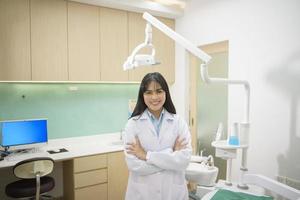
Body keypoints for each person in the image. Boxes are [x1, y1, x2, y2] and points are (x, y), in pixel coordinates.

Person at [123, 72, 192, 200]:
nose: (154, 97)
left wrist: (146, 155)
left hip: (173, 193)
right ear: (142, 95)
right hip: (142, 193)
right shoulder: (132, 125)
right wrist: (170, 154)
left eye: (159, 91)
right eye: (148, 92)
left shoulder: (178, 122)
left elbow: (184, 160)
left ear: (166, 92)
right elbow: (134, 165)